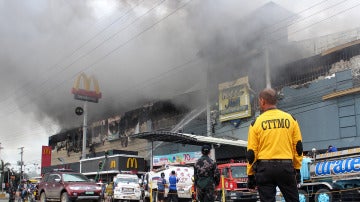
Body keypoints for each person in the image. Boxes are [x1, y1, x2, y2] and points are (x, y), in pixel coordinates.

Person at [246, 88, 303, 202]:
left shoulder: (255, 123)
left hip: (265, 169)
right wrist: (297, 169)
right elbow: (298, 147)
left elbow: (252, 153)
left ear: (262, 101)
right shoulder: (291, 119)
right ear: (275, 101)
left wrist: (250, 175)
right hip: (286, 168)